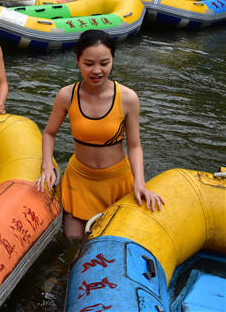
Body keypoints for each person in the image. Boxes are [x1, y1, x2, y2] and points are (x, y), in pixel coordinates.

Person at [34, 29, 164, 240]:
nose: (97, 70)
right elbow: (49, 133)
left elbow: (134, 146)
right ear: (77, 60)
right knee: (73, 241)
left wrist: (140, 182)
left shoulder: (128, 98)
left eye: (104, 63)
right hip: (80, 180)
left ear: (113, 59)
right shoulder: (67, 96)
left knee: (112, 240)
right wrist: (46, 165)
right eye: (89, 64)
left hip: (117, 182)